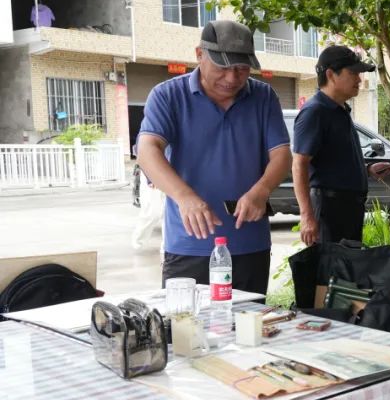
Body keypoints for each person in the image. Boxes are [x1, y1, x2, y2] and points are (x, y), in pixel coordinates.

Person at [137, 20, 291, 293]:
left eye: (242, 69)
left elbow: (281, 154)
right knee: (185, 327)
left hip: (250, 243)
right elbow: (148, 150)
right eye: (222, 67)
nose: (232, 78)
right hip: (190, 244)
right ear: (199, 55)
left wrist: (262, 190)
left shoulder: (263, 96)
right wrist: (185, 197)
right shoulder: (168, 96)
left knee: (247, 328)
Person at [292, 45, 377, 246]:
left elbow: (333, 161)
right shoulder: (315, 111)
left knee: (346, 275)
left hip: (347, 210)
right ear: (331, 75)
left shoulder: (339, 109)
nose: (359, 79)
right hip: (329, 211)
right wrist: (307, 216)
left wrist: (367, 170)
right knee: (331, 275)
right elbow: (299, 164)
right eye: (353, 73)